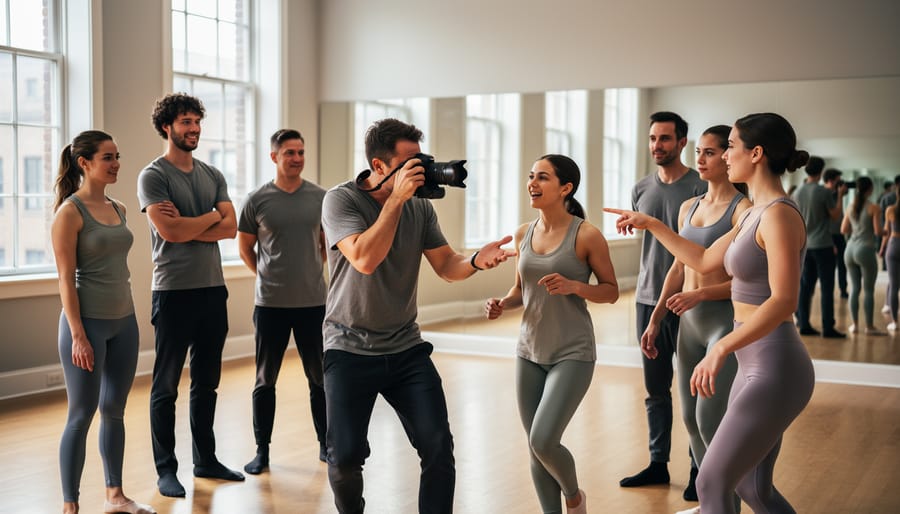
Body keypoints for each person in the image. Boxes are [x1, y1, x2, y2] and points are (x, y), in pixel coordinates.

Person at [606, 112, 816, 514]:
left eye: (731, 146)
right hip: (753, 358)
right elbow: (701, 259)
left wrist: (721, 349)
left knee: (711, 480)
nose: (724, 156)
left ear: (756, 154)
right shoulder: (757, 211)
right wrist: (651, 224)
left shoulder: (779, 215)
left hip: (775, 364)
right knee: (753, 489)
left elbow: (783, 300)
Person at [320, 118, 516, 514]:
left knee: (438, 447)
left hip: (406, 349)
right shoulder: (339, 200)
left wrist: (477, 259)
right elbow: (364, 259)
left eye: (421, 162)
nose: (420, 172)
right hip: (348, 348)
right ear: (378, 166)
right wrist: (395, 201)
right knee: (344, 459)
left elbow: (447, 266)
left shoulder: (420, 209)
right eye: (410, 163)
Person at [484, 155, 619, 514]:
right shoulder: (522, 233)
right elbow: (519, 292)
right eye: (531, 176)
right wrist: (501, 303)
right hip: (529, 351)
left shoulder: (586, 235)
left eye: (542, 177)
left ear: (565, 188)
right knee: (534, 447)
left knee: (544, 440)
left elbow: (610, 291)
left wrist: (576, 286)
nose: (533, 183)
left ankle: (574, 498)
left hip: (572, 352)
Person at [137, 93, 244, 498]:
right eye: (185, 121)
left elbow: (231, 229)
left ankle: (206, 460)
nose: (193, 128)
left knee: (207, 383)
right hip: (173, 292)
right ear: (167, 126)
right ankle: (166, 470)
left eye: (197, 121)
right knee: (165, 386)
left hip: (212, 290)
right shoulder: (153, 176)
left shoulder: (213, 173)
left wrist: (190, 224)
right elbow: (171, 233)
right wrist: (210, 218)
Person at [642, 125, 751, 510]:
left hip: (721, 323)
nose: (699, 160)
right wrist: (656, 318)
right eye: (699, 152)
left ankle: (727, 504)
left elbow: (746, 280)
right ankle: (712, 503)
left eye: (708, 153)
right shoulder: (690, 206)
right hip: (686, 325)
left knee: (711, 422)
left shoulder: (744, 210)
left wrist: (702, 292)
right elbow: (677, 266)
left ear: (726, 157)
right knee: (689, 419)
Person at [51, 130, 155, 514]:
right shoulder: (69, 213)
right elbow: (65, 279)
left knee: (115, 409)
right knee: (81, 414)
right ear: (85, 163)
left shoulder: (120, 208)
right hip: (86, 325)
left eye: (117, 156)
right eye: (108, 157)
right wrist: (78, 335)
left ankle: (115, 496)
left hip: (123, 321)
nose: (116, 164)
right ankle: (70, 505)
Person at [620, 111, 707, 492]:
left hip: (688, 301)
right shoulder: (641, 189)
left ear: (682, 142)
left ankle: (698, 469)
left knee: (694, 390)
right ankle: (658, 463)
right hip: (646, 298)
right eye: (653, 138)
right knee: (655, 389)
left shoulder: (699, 188)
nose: (657, 145)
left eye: (665, 139)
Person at [237, 129, 328, 474]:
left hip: (312, 303)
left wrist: (313, 271)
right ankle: (262, 451)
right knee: (265, 379)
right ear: (274, 156)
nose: (297, 158)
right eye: (289, 152)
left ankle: (326, 444)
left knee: (319, 378)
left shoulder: (320, 197)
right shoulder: (257, 199)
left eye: (301, 152)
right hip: (270, 304)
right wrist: (264, 275)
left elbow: (324, 243)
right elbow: (245, 247)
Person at [792, 156, 847, 338]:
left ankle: (804, 323)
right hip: (823, 245)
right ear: (821, 171)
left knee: (806, 287)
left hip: (805, 246)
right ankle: (828, 327)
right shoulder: (823, 192)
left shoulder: (797, 192)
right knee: (827, 287)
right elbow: (835, 215)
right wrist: (839, 197)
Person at [841, 176, 886, 335]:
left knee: (854, 289)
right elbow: (878, 231)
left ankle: (854, 326)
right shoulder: (874, 207)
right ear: (870, 189)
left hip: (850, 250)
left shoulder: (850, 206)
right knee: (868, 290)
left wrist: (857, 229)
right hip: (865, 250)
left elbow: (843, 229)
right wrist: (887, 232)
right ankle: (869, 327)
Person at [824, 168, 849, 298]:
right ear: (831, 180)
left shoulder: (836, 194)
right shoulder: (825, 195)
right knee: (830, 267)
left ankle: (843, 289)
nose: (840, 184)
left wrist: (839, 194)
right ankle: (830, 292)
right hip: (829, 235)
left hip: (839, 234)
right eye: (838, 181)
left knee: (842, 264)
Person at [881, 189, 900, 331]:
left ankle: (894, 322)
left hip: (893, 245)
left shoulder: (891, 210)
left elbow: (886, 232)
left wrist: (882, 248)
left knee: (894, 285)